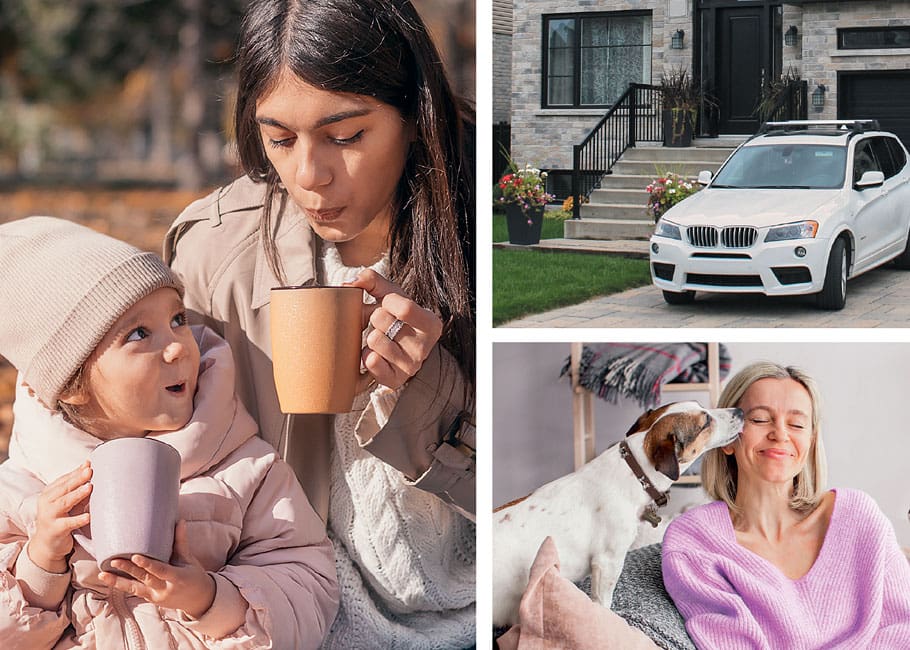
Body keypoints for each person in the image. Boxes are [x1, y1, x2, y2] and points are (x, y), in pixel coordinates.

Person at [164, 0, 476, 647]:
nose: (309, 176)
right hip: (302, 617)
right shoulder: (217, 253)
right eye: (280, 139)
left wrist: (427, 392)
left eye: (347, 135)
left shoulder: (485, 235)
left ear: (414, 119)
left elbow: (525, 492)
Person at [0, 216, 339, 649]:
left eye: (178, 318)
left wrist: (210, 598)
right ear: (73, 384)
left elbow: (310, 586)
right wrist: (41, 563)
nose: (179, 345)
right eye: (140, 333)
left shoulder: (246, 470)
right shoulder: (22, 494)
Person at [662, 362, 910, 649]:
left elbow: (903, 627)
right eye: (759, 419)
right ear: (728, 437)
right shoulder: (694, 541)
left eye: (797, 424)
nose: (780, 434)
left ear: (810, 441)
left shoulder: (859, 516)